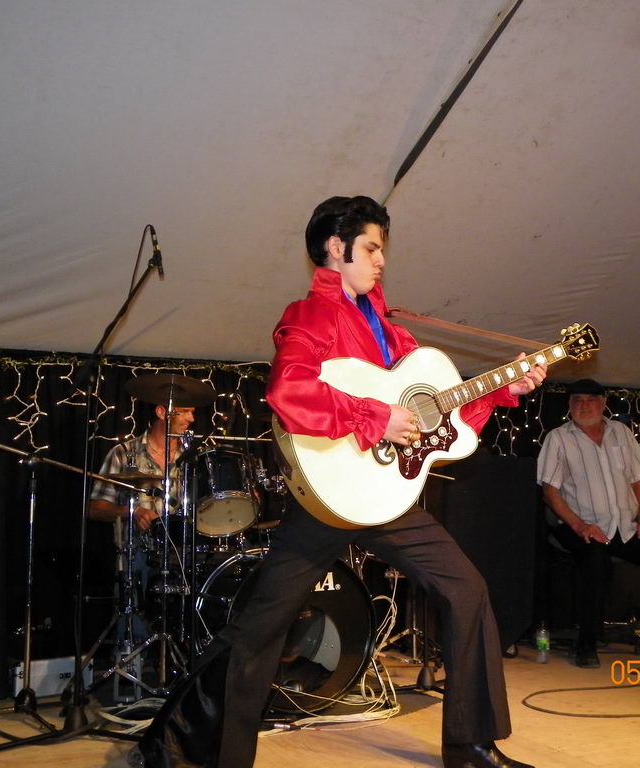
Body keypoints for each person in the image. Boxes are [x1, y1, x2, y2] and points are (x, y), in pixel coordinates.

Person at [213, 195, 546, 768]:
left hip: (387, 495)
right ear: (335, 248)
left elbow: (437, 423)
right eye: (370, 248)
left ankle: (470, 747)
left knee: (466, 589)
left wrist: (500, 392)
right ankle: (195, 750)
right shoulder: (311, 314)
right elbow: (288, 392)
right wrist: (375, 417)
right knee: (260, 628)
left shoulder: (393, 335)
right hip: (328, 497)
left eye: (381, 249)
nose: (381, 260)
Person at [536, 378, 640, 668]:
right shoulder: (558, 438)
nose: (584, 406)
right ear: (569, 405)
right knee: (595, 558)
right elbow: (549, 492)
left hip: (624, 527)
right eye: (577, 401)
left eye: (591, 400)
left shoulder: (621, 432)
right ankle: (586, 642)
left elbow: (637, 481)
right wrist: (579, 526)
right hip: (579, 527)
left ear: (603, 403)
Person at [89, 402, 196, 531]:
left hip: (181, 542)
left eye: (192, 412)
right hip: (136, 543)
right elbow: (95, 509)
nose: (191, 419)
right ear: (161, 412)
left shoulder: (194, 458)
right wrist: (132, 511)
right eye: (184, 411)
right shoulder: (123, 452)